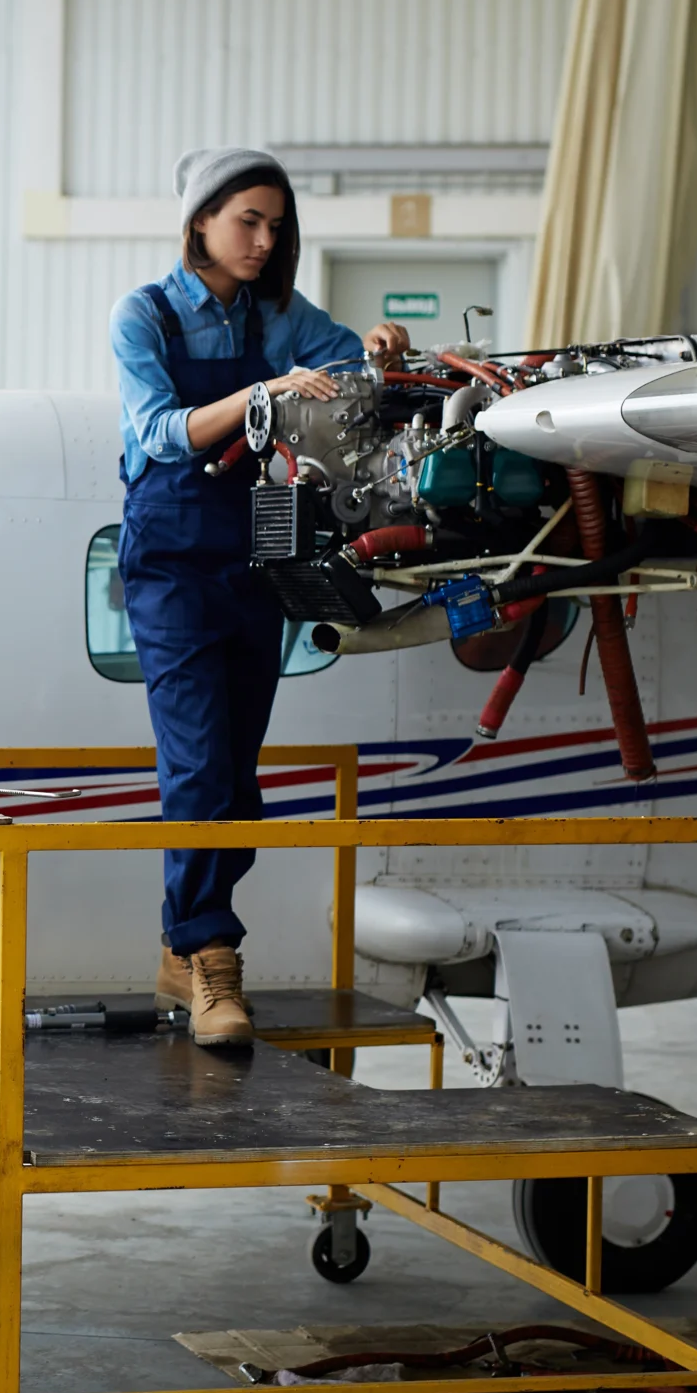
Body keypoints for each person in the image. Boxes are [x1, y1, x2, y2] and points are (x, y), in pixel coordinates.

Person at [110, 148, 408, 1046]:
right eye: (248, 219)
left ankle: (180, 945)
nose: (264, 238)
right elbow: (160, 433)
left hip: (257, 559)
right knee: (200, 763)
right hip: (172, 563)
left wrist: (387, 351)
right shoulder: (147, 316)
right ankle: (210, 955)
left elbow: (355, 366)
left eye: (276, 224)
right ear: (200, 220)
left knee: (235, 775)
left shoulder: (279, 312)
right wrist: (263, 391)